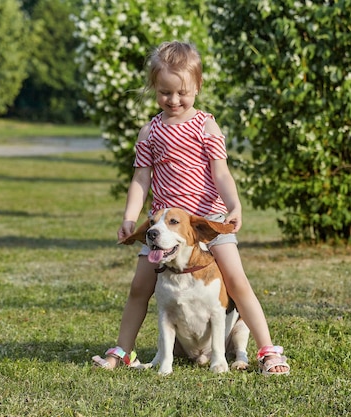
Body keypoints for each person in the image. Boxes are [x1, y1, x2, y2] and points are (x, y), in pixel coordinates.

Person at [91, 41, 290, 375]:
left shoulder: (206, 127)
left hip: (208, 221)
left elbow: (221, 172)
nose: (174, 100)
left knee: (237, 282)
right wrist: (130, 217)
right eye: (165, 92)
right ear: (154, 89)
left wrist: (234, 205)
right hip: (166, 228)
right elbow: (141, 179)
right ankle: (122, 351)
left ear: (197, 86)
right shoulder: (150, 132)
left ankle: (268, 351)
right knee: (140, 288)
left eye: (182, 92)